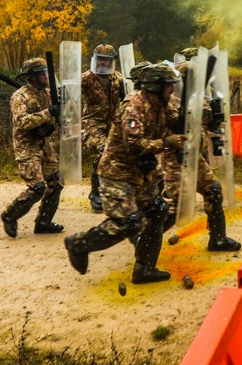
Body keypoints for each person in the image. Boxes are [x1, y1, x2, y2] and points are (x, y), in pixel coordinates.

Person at [64, 63, 184, 284]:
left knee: (159, 211)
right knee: (128, 222)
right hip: (117, 171)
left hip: (140, 172)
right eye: (169, 87)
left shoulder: (160, 105)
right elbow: (133, 143)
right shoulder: (134, 107)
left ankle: (144, 269)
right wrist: (166, 143)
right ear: (156, 87)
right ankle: (79, 243)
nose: (172, 91)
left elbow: (177, 119)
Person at [159, 57, 241, 252]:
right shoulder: (168, 103)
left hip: (195, 156)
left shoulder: (198, 100)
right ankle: (144, 238)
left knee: (213, 190)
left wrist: (215, 112)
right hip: (175, 159)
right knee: (178, 207)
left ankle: (218, 239)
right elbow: (177, 120)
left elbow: (209, 119)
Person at [0, 57, 64, 238]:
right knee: (37, 188)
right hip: (26, 146)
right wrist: (48, 112)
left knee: (57, 181)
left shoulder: (48, 93)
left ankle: (43, 222)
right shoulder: (19, 97)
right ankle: (10, 215)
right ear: (32, 77)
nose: (46, 77)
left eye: (46, 73)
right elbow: (23, 122)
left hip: (44, 144)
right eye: (42, 74)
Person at [80, 45, 125, 211]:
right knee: (103, 151)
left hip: (113, 124)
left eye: (106, 59)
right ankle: (96, 195)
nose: (103, 62)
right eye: (100, 58)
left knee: (117, 154)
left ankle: (113, 193)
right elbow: (68, 95)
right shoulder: (85, 78)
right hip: (92, 123)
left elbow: (126, 97)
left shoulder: (117, 78)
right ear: (94, 59)